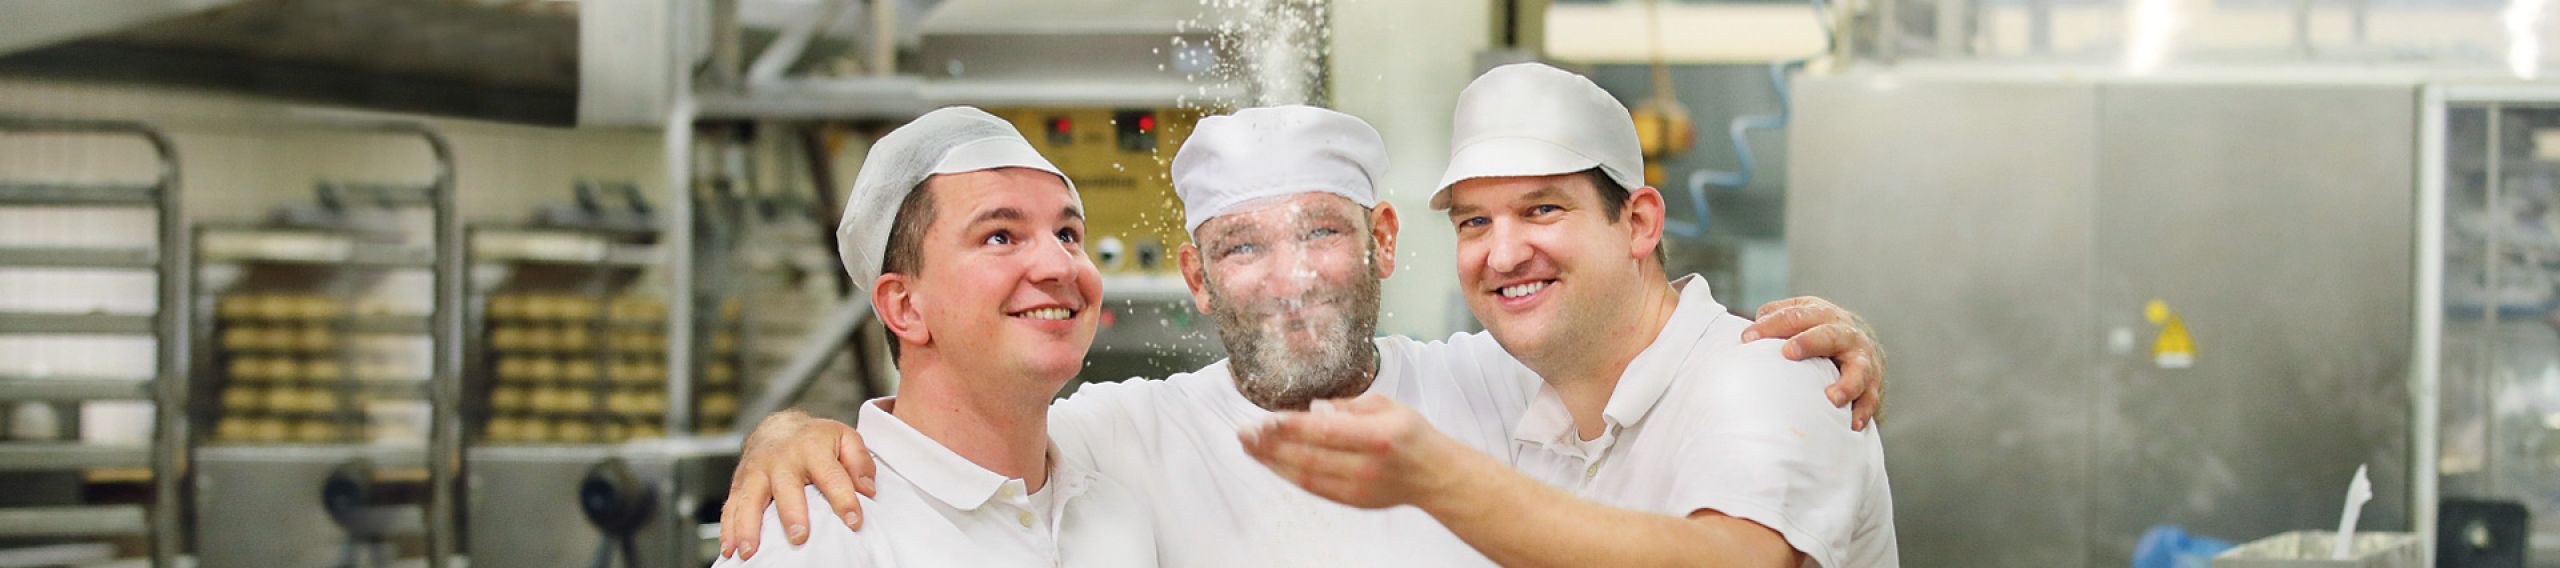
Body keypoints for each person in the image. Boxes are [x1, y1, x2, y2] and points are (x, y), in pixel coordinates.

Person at [719, 105, 1893, 566]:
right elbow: (965, 431)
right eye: (1241, 247)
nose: (1289, 280)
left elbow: (1629, 351)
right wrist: (789, 433)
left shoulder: (1499, 390)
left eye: (1322, 233)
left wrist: (1779, 342)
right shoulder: (1125, 439)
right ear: (1193, 277)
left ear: (1382, 238)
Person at [1239, 62, 1897, 567]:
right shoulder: (1525, 398)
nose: (1503, 255)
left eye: (1542, 209)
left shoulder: (1768, 372)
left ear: (1638, 223)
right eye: (1474, 222)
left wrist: (1441, 480)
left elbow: (1735, 559)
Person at [712, 106, 1156, 566]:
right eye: (1000, 236)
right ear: (904, 306)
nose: (1060, 265)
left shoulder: (1116, 516)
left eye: (1067, 234)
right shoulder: (817, 541)